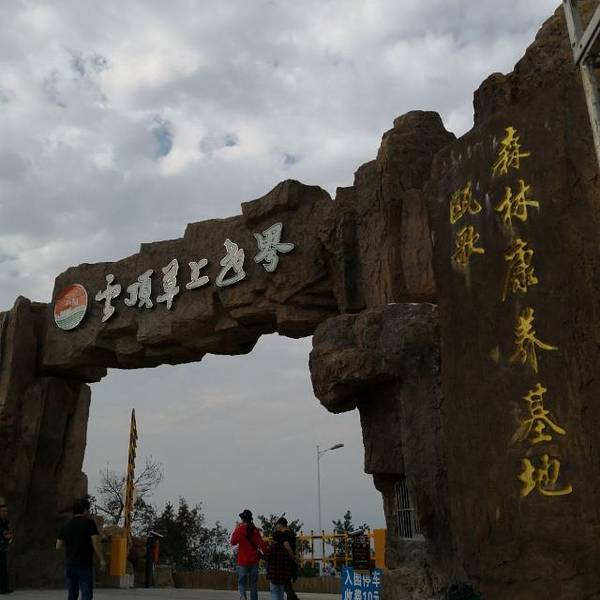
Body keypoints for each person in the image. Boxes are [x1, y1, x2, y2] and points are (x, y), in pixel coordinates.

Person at [56, 497, 105, 600]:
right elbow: (96, 542)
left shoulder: (66, 525)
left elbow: (58, 545)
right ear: (85, 510)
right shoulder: (89, 523)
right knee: (86, 594)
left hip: (70, 564)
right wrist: (101, 559)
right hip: (84, 564)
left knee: (72, 593)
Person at [231, 509, 266, 600]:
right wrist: (266, 554)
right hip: (254, 561)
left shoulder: (240, 529)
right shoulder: (255, 530)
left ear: (243, 519)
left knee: (242, 583)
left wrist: (236, 528)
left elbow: (233, 542)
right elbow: (262, 545)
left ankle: (243, 597)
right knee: (253, 584)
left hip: (243, 561)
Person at [264, 530, 293, 600]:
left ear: (273, 539)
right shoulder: (284, 550)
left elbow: (266, 558)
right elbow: (288, 561)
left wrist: (260, 554)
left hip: (273, 575)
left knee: (274, 593)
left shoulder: (271, 548)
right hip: (282, 576)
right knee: (281, 594)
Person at [275, 517, 299, 600]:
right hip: (290, 560)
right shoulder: (292, 533)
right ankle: (293, 597)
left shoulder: (284, 534)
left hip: (286, 560)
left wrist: (292, 557)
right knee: (287, 582)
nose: (276, 526)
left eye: (277, 525)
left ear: (281, 525)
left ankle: (292, 598)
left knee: (286, 583)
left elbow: (287, 546)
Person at [0, 500, 13, 595]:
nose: (5, 513)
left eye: (6, 511)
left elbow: (9, 533)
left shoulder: (6, 522)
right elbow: (4, 535)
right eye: (3, 511)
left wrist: (9, 537)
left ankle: (4, 587)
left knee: (3, 567)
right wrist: (6, 536)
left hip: (3, 547)